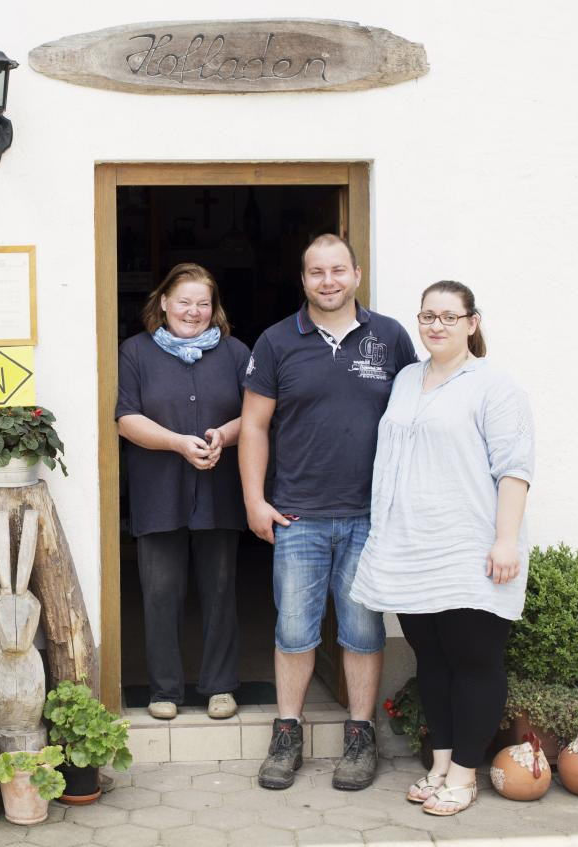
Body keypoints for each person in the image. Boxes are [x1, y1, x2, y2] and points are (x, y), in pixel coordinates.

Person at [240, 233, 417, 791]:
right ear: (304, 280)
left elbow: (417, 420)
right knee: (295, 631)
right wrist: (254, 500)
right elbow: (254, 426)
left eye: (338, 270)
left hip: (371, 517)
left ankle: (359, 739)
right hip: (298, 516)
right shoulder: (275, 342)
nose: (328, 281)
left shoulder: (389, 338)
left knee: (364, 632)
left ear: (357, 274)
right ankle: (286, 736)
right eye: (316, 272)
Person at [350, 281, 533, 816]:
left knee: (473, 659)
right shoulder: (408, 379)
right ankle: (440, 763)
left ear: (472, 323)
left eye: (449, 317)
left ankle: (465, 773)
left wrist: (505, 541)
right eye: (428, 316)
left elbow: (514, 468)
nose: (436, 325)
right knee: (431, 657)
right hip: (410, 546)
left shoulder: (493, 386)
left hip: (469, 546)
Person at [117, 263, 250, 721]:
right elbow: (126, 418)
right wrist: (176, 442)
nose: (193, 312)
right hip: (158, 490)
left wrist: (223, 437)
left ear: (214, 310)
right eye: (185, 302)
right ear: (164, 303)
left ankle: (220, 687)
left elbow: (255, 414)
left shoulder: (235, 353)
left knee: (219, 588)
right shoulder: (135, 352)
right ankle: (164, 690)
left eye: (203, 303)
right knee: (160, 591)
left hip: (219, 487)